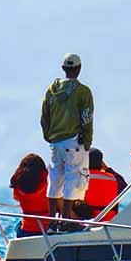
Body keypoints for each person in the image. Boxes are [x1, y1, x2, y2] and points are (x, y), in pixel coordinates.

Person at [40, 52, 94, 224]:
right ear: (79, 69)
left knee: (55, 178)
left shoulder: (51, 90)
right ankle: (65, 220)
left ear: (63, 68)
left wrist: (48, 136)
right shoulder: (83, 92)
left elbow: (44, 116)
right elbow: (86, 117)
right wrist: (87, 140)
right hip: (74, 142)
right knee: (73, 178)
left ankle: (51, 220)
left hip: (55, 143)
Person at [10, 154, 51, 237]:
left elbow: (16, 198)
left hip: (26, 230)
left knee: (18, 224)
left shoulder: (18, 185)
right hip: (46, 230)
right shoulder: (48, 186)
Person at [82, 149, 128, 221]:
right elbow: (125, 188)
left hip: (84, 220)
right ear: (101, 163)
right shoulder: (113, 178)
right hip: (108, 221)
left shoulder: (80, 177)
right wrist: (107, 169)